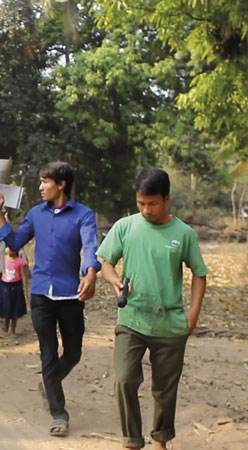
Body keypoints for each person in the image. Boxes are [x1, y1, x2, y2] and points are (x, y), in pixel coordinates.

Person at [97, 169, 209, 450]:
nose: (146, 210)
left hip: (170, 323)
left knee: (164, 389)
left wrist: (193, 312)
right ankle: (132, 440)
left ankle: (161, 439)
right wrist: (113, 281)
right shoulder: (125, 227)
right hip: (131, 318)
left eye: (152, 203)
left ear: (167, 199)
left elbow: (199, 273)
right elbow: (105, 263)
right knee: (124, 380)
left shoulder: (184, 234)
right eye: (141, 203)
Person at [0, 161, 100, 437]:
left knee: (73, 352)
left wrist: (91, 273)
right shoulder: (36, 214)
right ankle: (58, 413)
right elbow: (14, 244)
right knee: (48, 354)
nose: (40, 187)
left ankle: (49, 382)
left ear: (61, 184)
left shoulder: (83, 215)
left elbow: (90, 246)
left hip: (71, 294)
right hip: (41, 294)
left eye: (44, 182)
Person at [0, 246, 29, 337]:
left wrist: (25, 289)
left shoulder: (19, 261)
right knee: (6, 307)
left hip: (16, 287)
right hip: (5, 286)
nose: (10, 250)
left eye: (13, 248)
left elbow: (23, 275)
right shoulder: (2, 259)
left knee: (15, 309)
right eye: (8, 248)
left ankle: (13, 330)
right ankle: (6, 322)